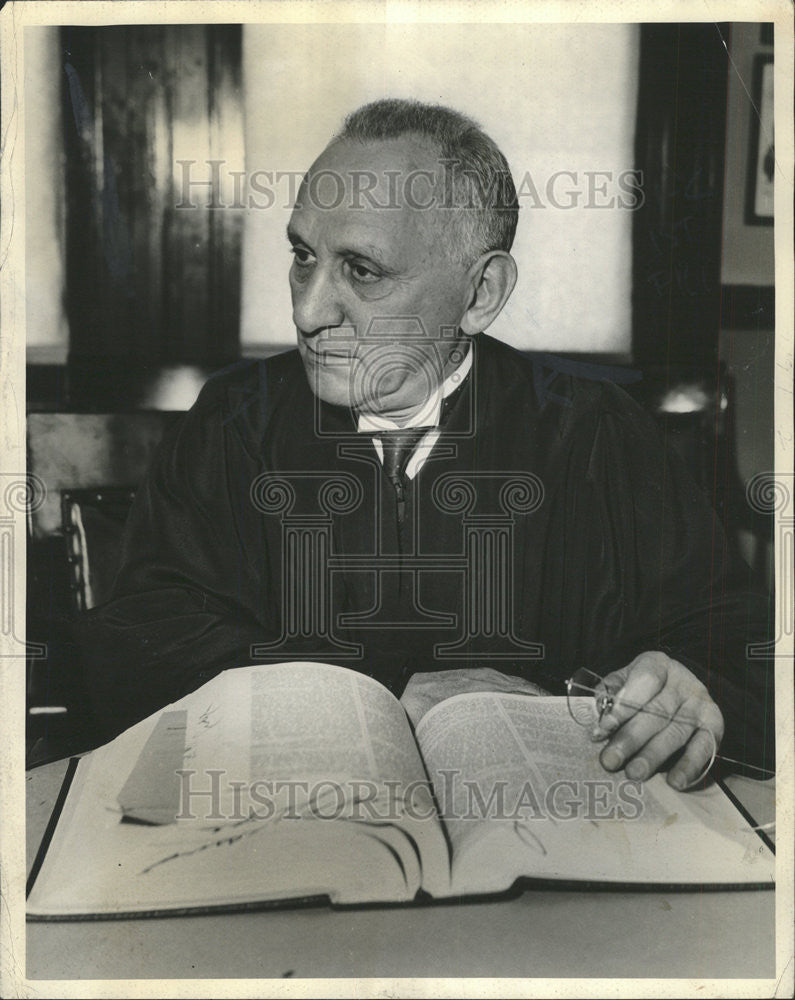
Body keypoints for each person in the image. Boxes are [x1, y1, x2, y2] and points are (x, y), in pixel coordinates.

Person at [77, 98, 774, 787]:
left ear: (480, 293)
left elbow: (736, 641)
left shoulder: (593, 433)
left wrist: (688, 685)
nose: (307, 310)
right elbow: (141, 646)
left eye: (362, 270)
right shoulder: (233, 422)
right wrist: (390, 686)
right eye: (301, 256)